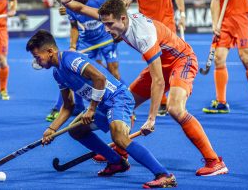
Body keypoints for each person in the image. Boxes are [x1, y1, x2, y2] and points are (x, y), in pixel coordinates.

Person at [59, 0, 228, 176]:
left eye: (109, 25)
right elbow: (81, 9)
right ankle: (122, 149)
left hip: (182, 61)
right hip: (160, 62)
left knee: (175, 108)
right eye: (104, 24)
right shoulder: (116, 18)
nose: (106, 30)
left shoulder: (143, 35)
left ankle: (214, 161)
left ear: (122, 19)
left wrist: (151, 118)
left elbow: (158, 81)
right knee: (125, 102)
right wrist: (65, 2)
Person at [26, 30, 177, 188]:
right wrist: (52, 129)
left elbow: (100, 78)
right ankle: (116, 162)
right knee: (76, 130)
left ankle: (164, 175)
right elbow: (68, 105)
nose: (37, 61)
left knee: (118, 136)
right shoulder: (57, 73)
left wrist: (91, 109)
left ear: (50, 51)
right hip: (102, 105)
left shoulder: (70, 59)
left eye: (37, 57)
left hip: (118, 99)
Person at [124, 0, 186, 116]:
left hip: (168, 29)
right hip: (148, 32)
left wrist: (182, 14)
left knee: (171, 64)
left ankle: (172, 98)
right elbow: (126, 3)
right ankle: (164, 102)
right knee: (156, 67)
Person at [46, 0, 99, 122]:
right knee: (71, 70)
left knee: (109, 71)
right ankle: (75, 106)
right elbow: (71, 13)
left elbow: (91, 6)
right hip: (84, 37)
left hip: (99, 35)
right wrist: (65, 8)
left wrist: (69, 7)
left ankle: (120, 100)